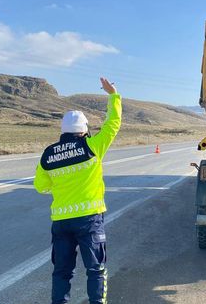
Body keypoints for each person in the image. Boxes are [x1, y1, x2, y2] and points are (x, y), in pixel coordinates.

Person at [34, 77, 121, 304]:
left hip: (61, 221)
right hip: (89, 220)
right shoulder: (92, 146)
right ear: (84, 131)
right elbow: (113, 124)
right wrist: (113, 95)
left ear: (62, 131)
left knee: (61, 271)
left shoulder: (49, 154)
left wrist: (61, 183)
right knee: (95, 269)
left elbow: (40, 186)